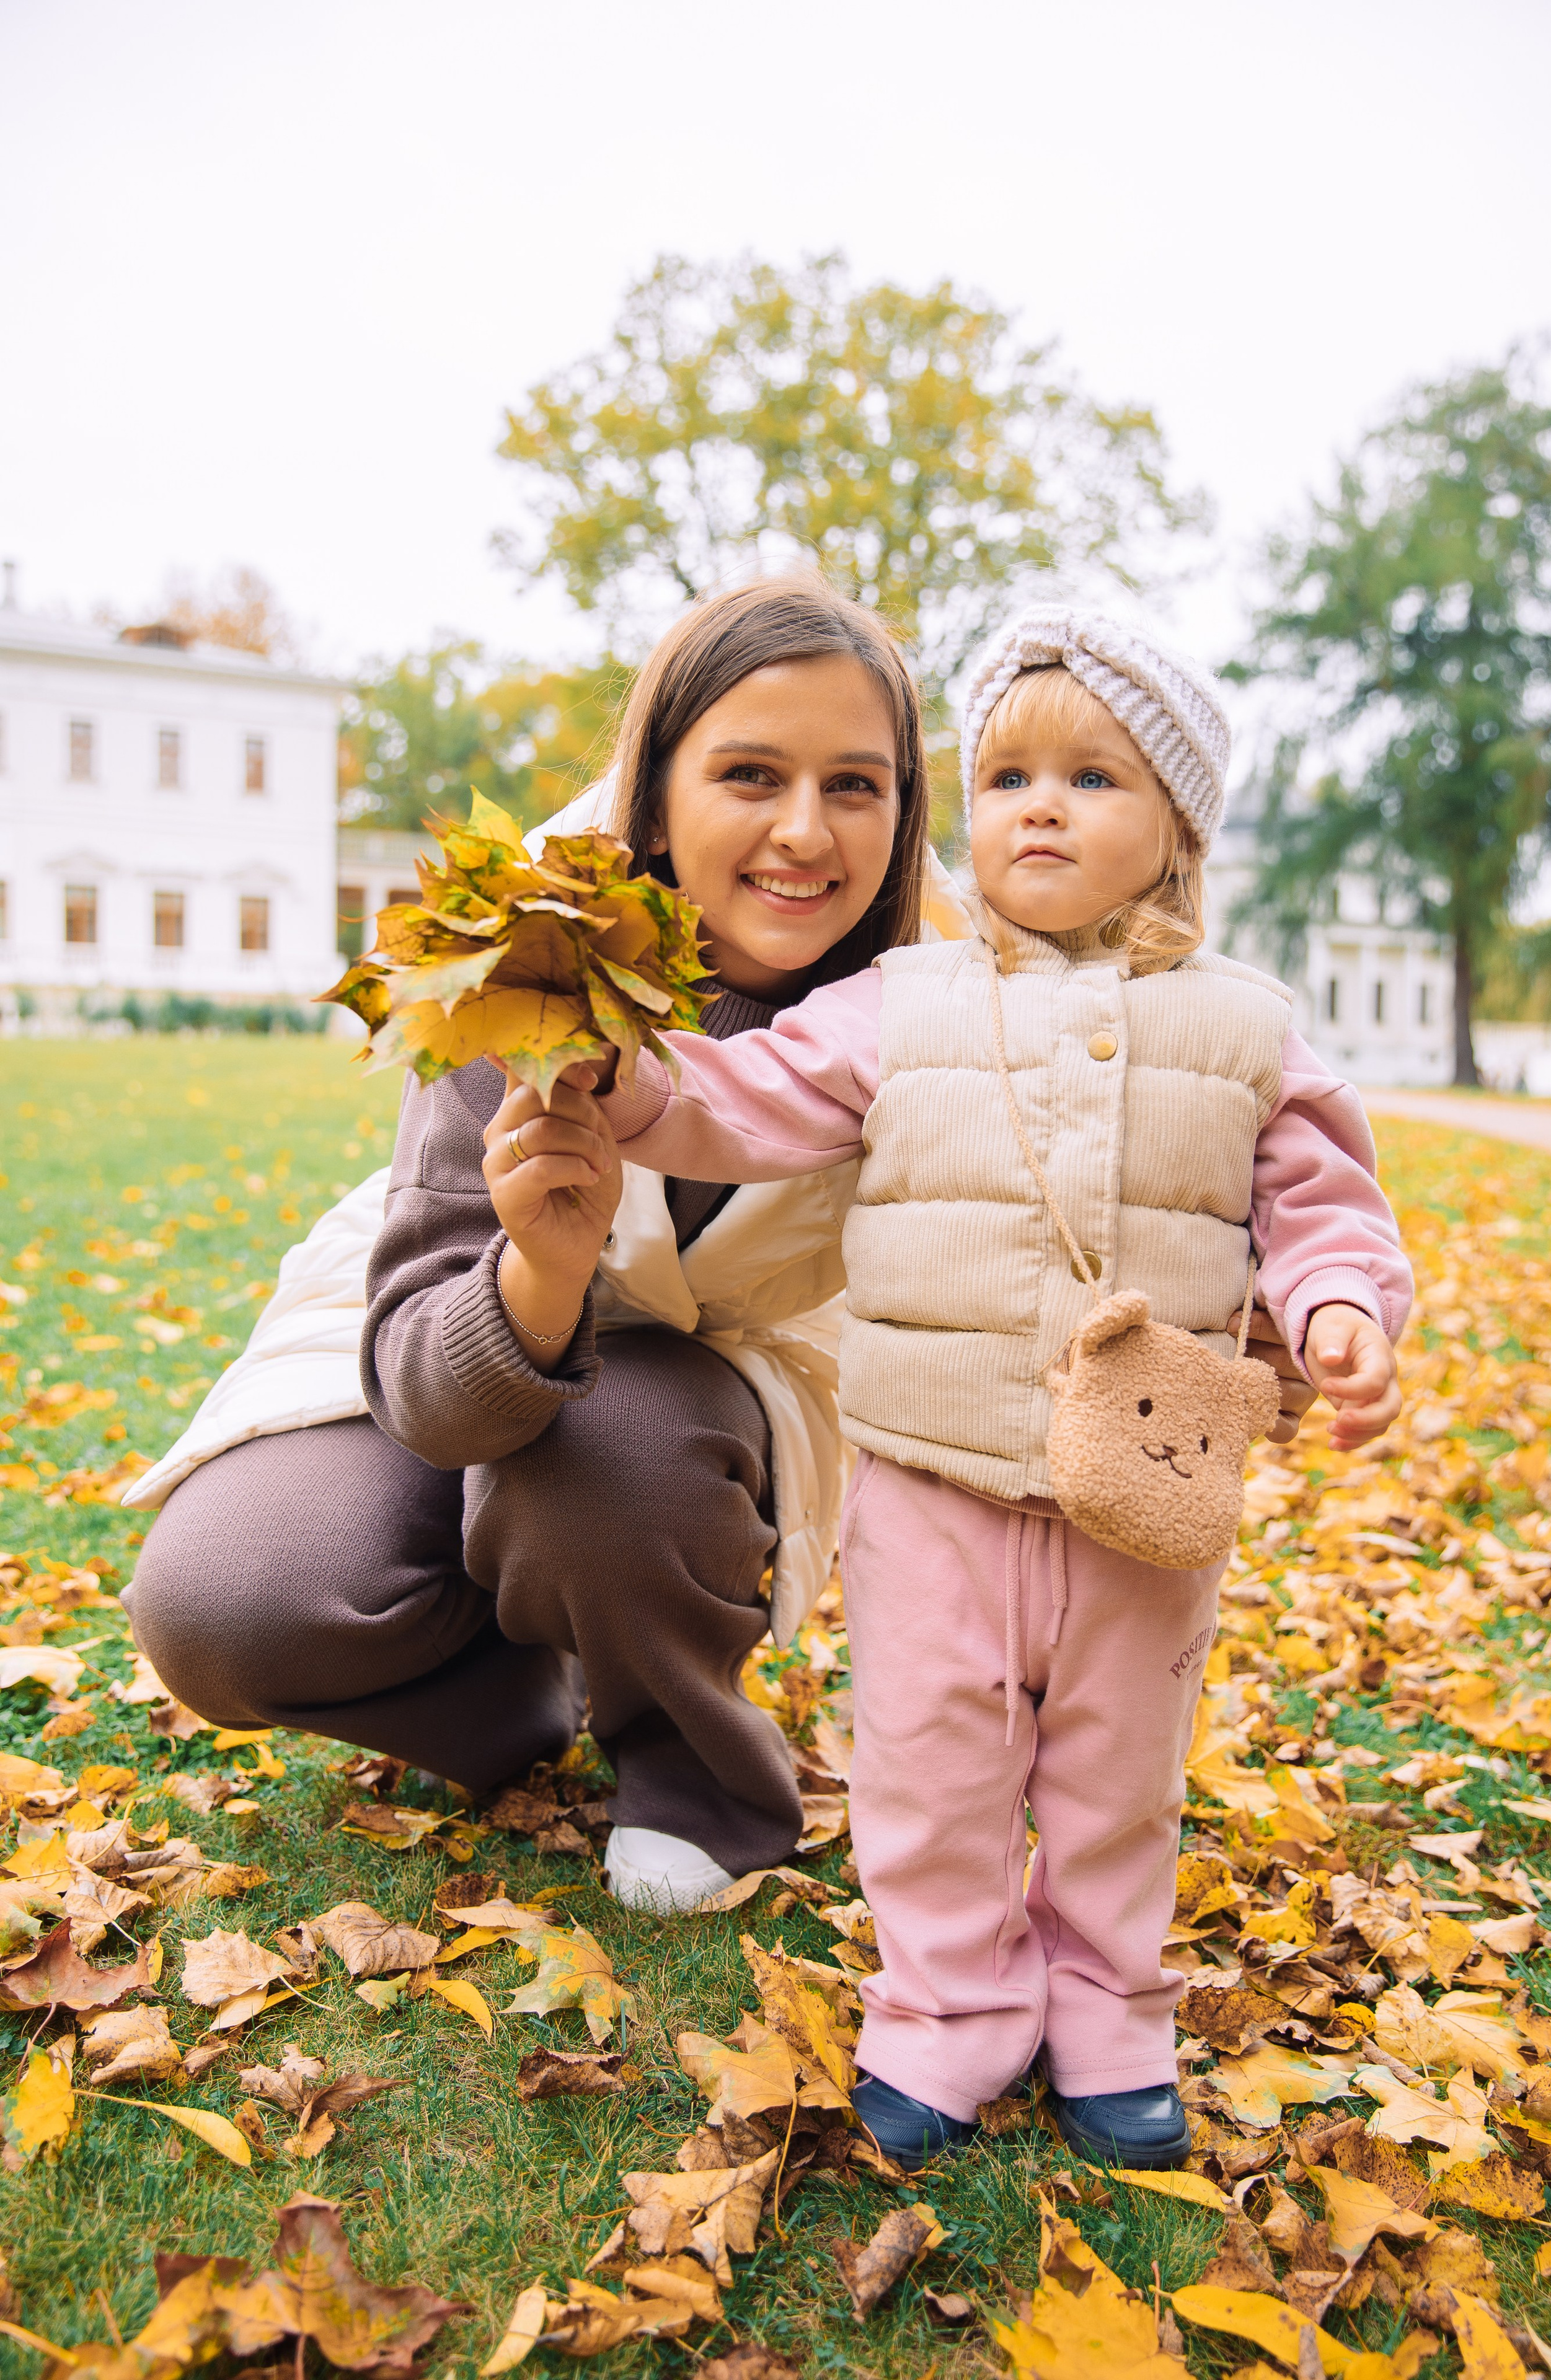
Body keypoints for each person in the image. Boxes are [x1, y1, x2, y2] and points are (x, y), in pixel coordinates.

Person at [502, 606, 1412, 2163]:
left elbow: (1324, 1202)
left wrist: (1338, 1309)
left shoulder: (1247, 1028)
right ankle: (945, 2010)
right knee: (930, 1764)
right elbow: (738, 1096)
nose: (1039, 806)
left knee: (1119, 1769)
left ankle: (1111, 2011)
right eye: (1003, 777)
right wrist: (616, 1077)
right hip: (928, 1475)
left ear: (1176, 827)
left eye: (1091, 779)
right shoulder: (897, 1004)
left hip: (1143, 1484)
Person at [123, 576, 946, 1910]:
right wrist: (540, 1273)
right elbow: (433, 1399)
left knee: (607, 1459)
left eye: (854, 785)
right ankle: (513, 1697)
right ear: (656, 790)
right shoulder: (516, 968)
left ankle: (696, 1773)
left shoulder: (941, 1005)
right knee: (225, 1601)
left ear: (902, 811)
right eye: (748, 773)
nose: (804, 831)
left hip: (703, 1390)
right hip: (450, 1327)